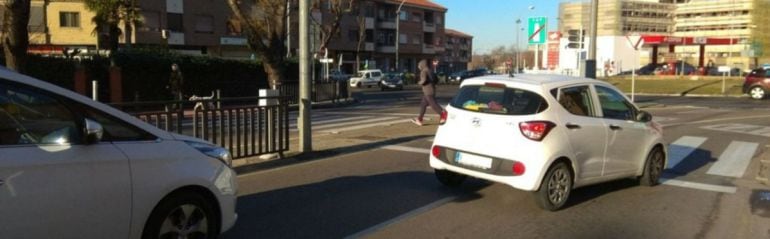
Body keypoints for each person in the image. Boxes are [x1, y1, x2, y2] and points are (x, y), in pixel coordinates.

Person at [411, 59, 443, 126]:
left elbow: (424, 80)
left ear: (422, 65)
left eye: (419, 66)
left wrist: (419, 83)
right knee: (423, 104)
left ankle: (443, 116)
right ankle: (419, 119)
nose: (419, 67)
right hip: (431, 90)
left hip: (428, 91)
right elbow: (436, 79)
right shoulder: (430, 70)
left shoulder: (423, 71)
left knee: (434, 105)